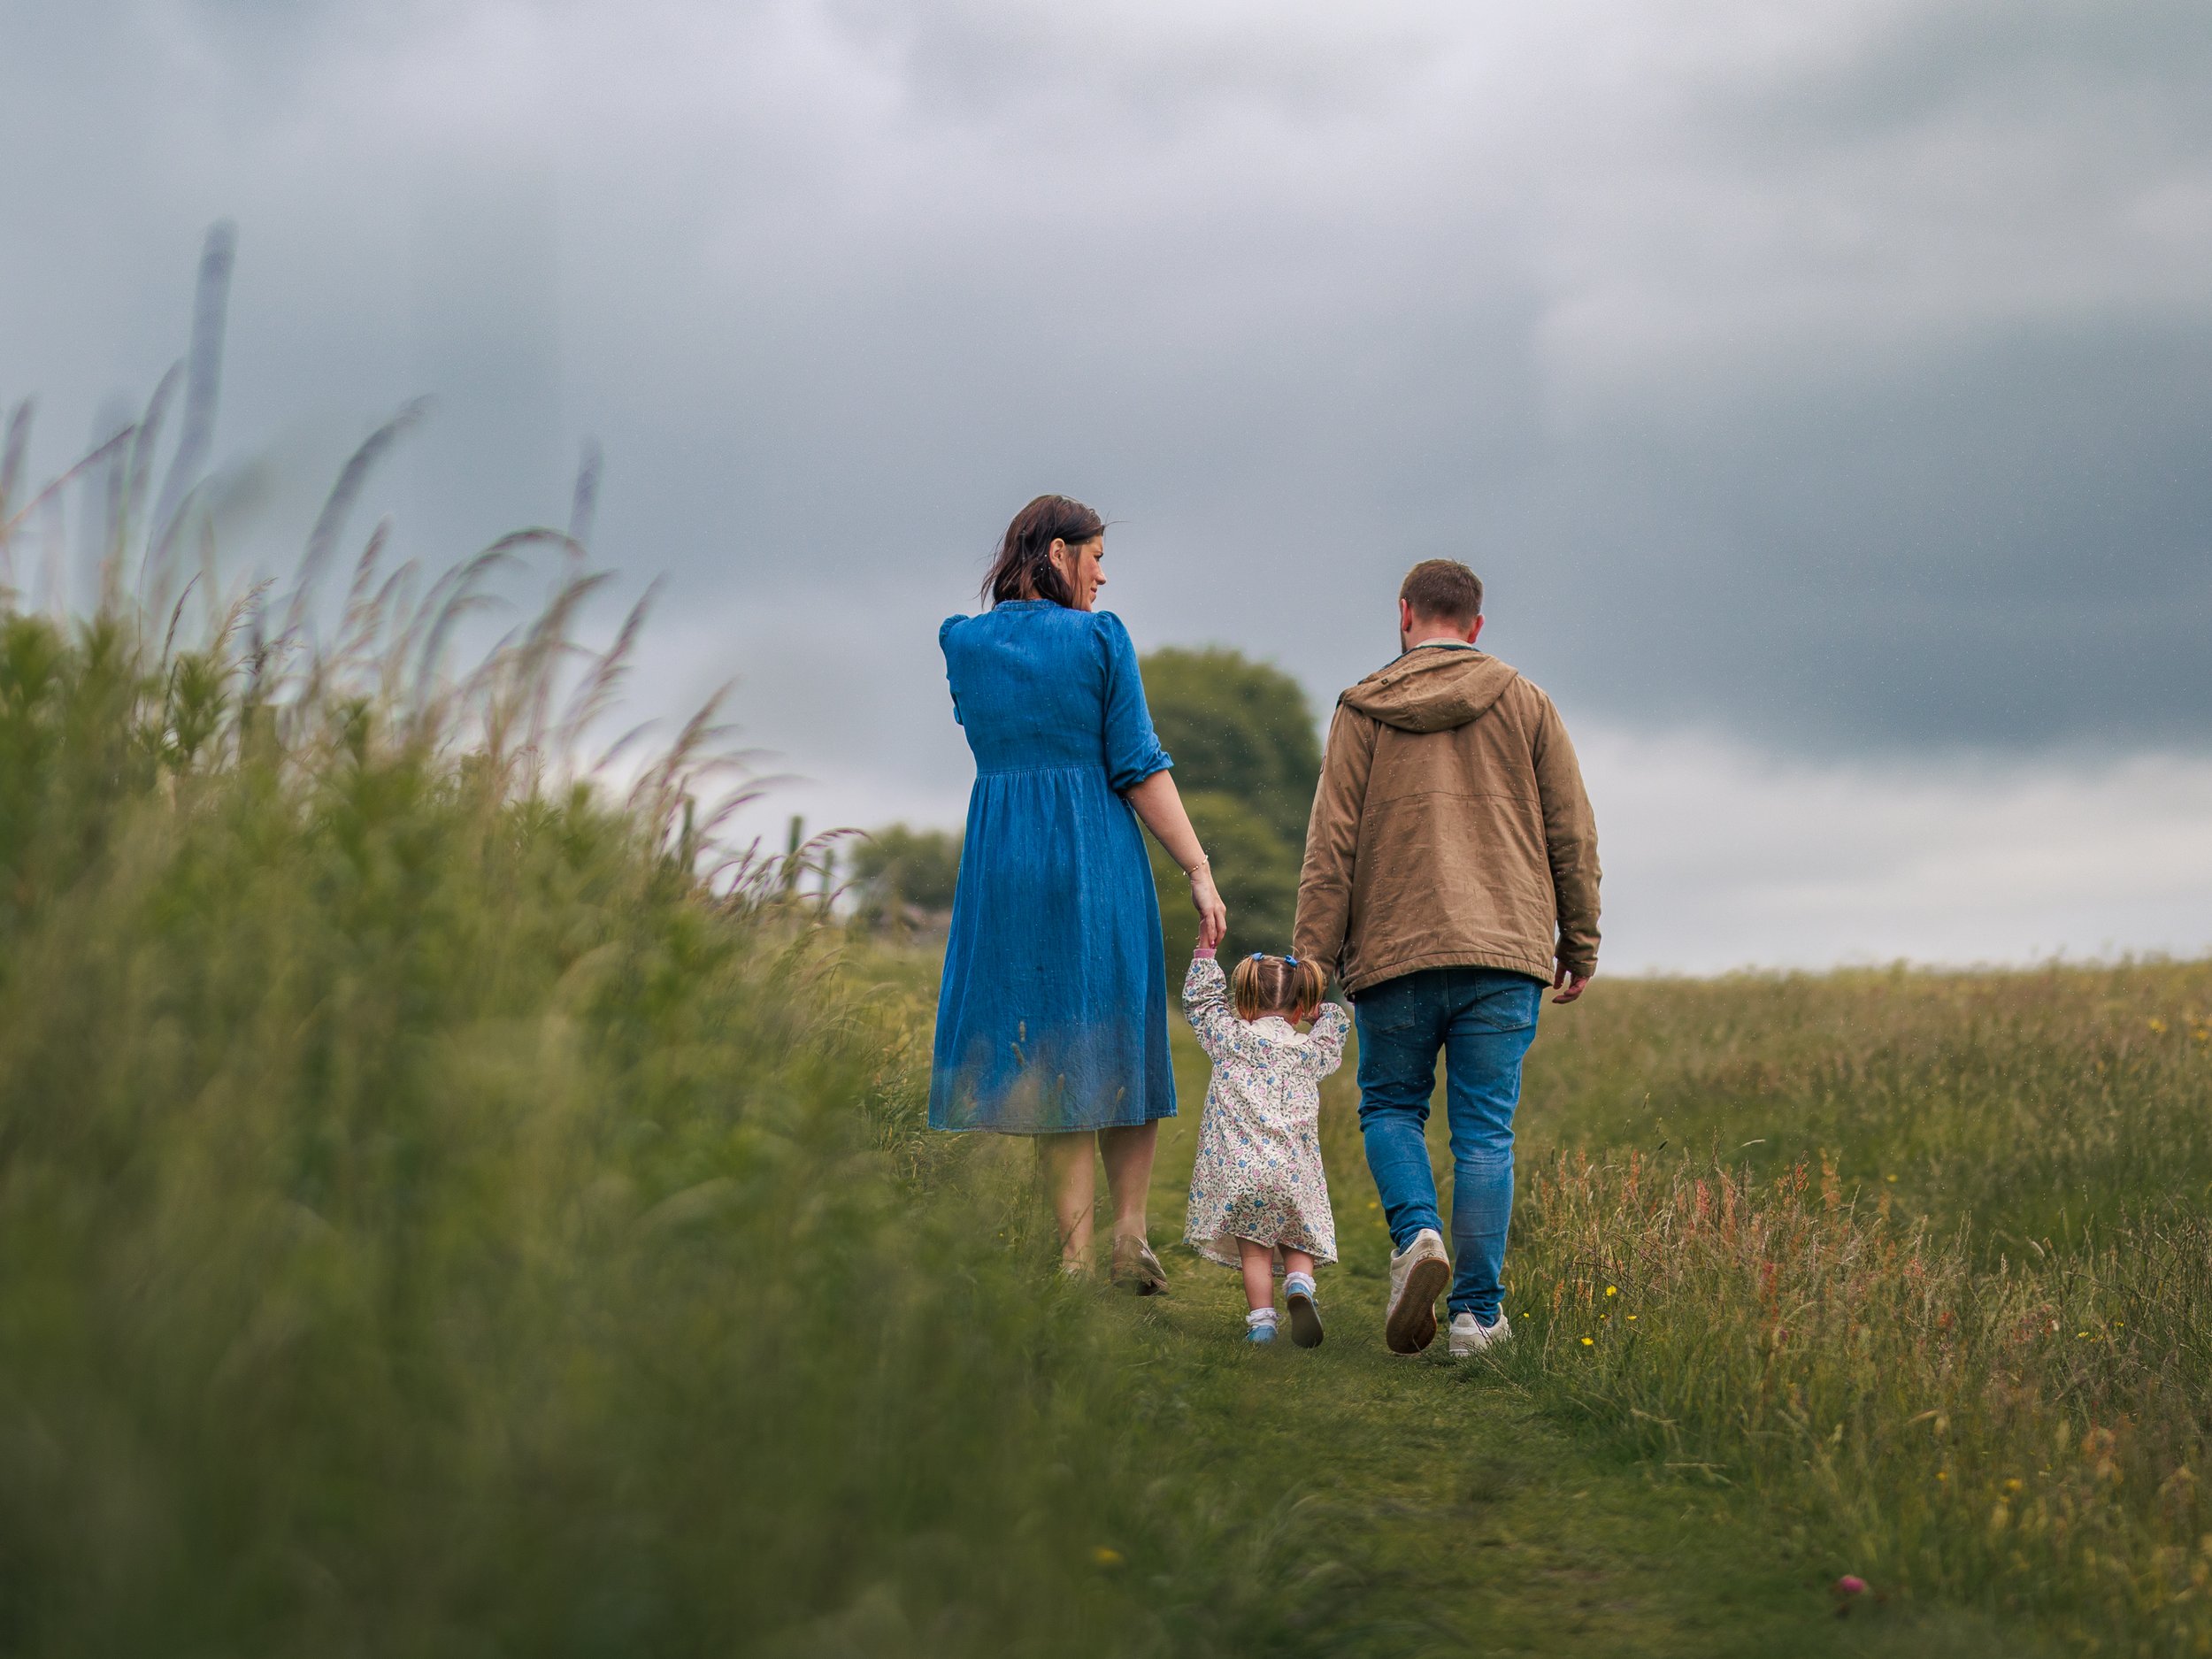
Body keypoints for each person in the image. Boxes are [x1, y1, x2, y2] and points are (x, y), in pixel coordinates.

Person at [1294, 559, 1600, 1356]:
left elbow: (1330, 843)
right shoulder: (1528, 703)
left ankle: (1417, 1236)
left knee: (1392, 1107)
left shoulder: (1362, 708)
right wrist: (1581, 937)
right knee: (1485, 1135)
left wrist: (1313, 962)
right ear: (1476, 624)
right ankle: (1474, 1316)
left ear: (1404, 614)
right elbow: (1572, 831)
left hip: (1394, 949)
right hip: (1504, 951)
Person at [932, 495, 1229, 1286]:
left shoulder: (962, 643)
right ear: (1059, 553)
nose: (1103, 574)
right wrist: (1197, 867)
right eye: (1095, 557)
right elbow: (1136, 762)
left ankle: (1072, 1257)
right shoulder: (1101, 638)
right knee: (1121, 1030)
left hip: (1004, 859)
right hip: (1095, 852)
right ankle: (1129, 1234)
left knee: (1050, 1044)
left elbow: (980, 729)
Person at [1180, 947, 1348, 1346]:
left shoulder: (1230, 1038)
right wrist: (1318, 1011)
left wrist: (1206, 952)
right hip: (1295, 1174)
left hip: (1242, 1174)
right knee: (1297, 1236)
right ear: (1300, 1005)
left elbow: (1201, 1003)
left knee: (1254, 1250)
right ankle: (1300, 1284)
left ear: (1244, 1002)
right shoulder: (1310, 1052)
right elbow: (1336, 1024)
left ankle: (1262, 1324)